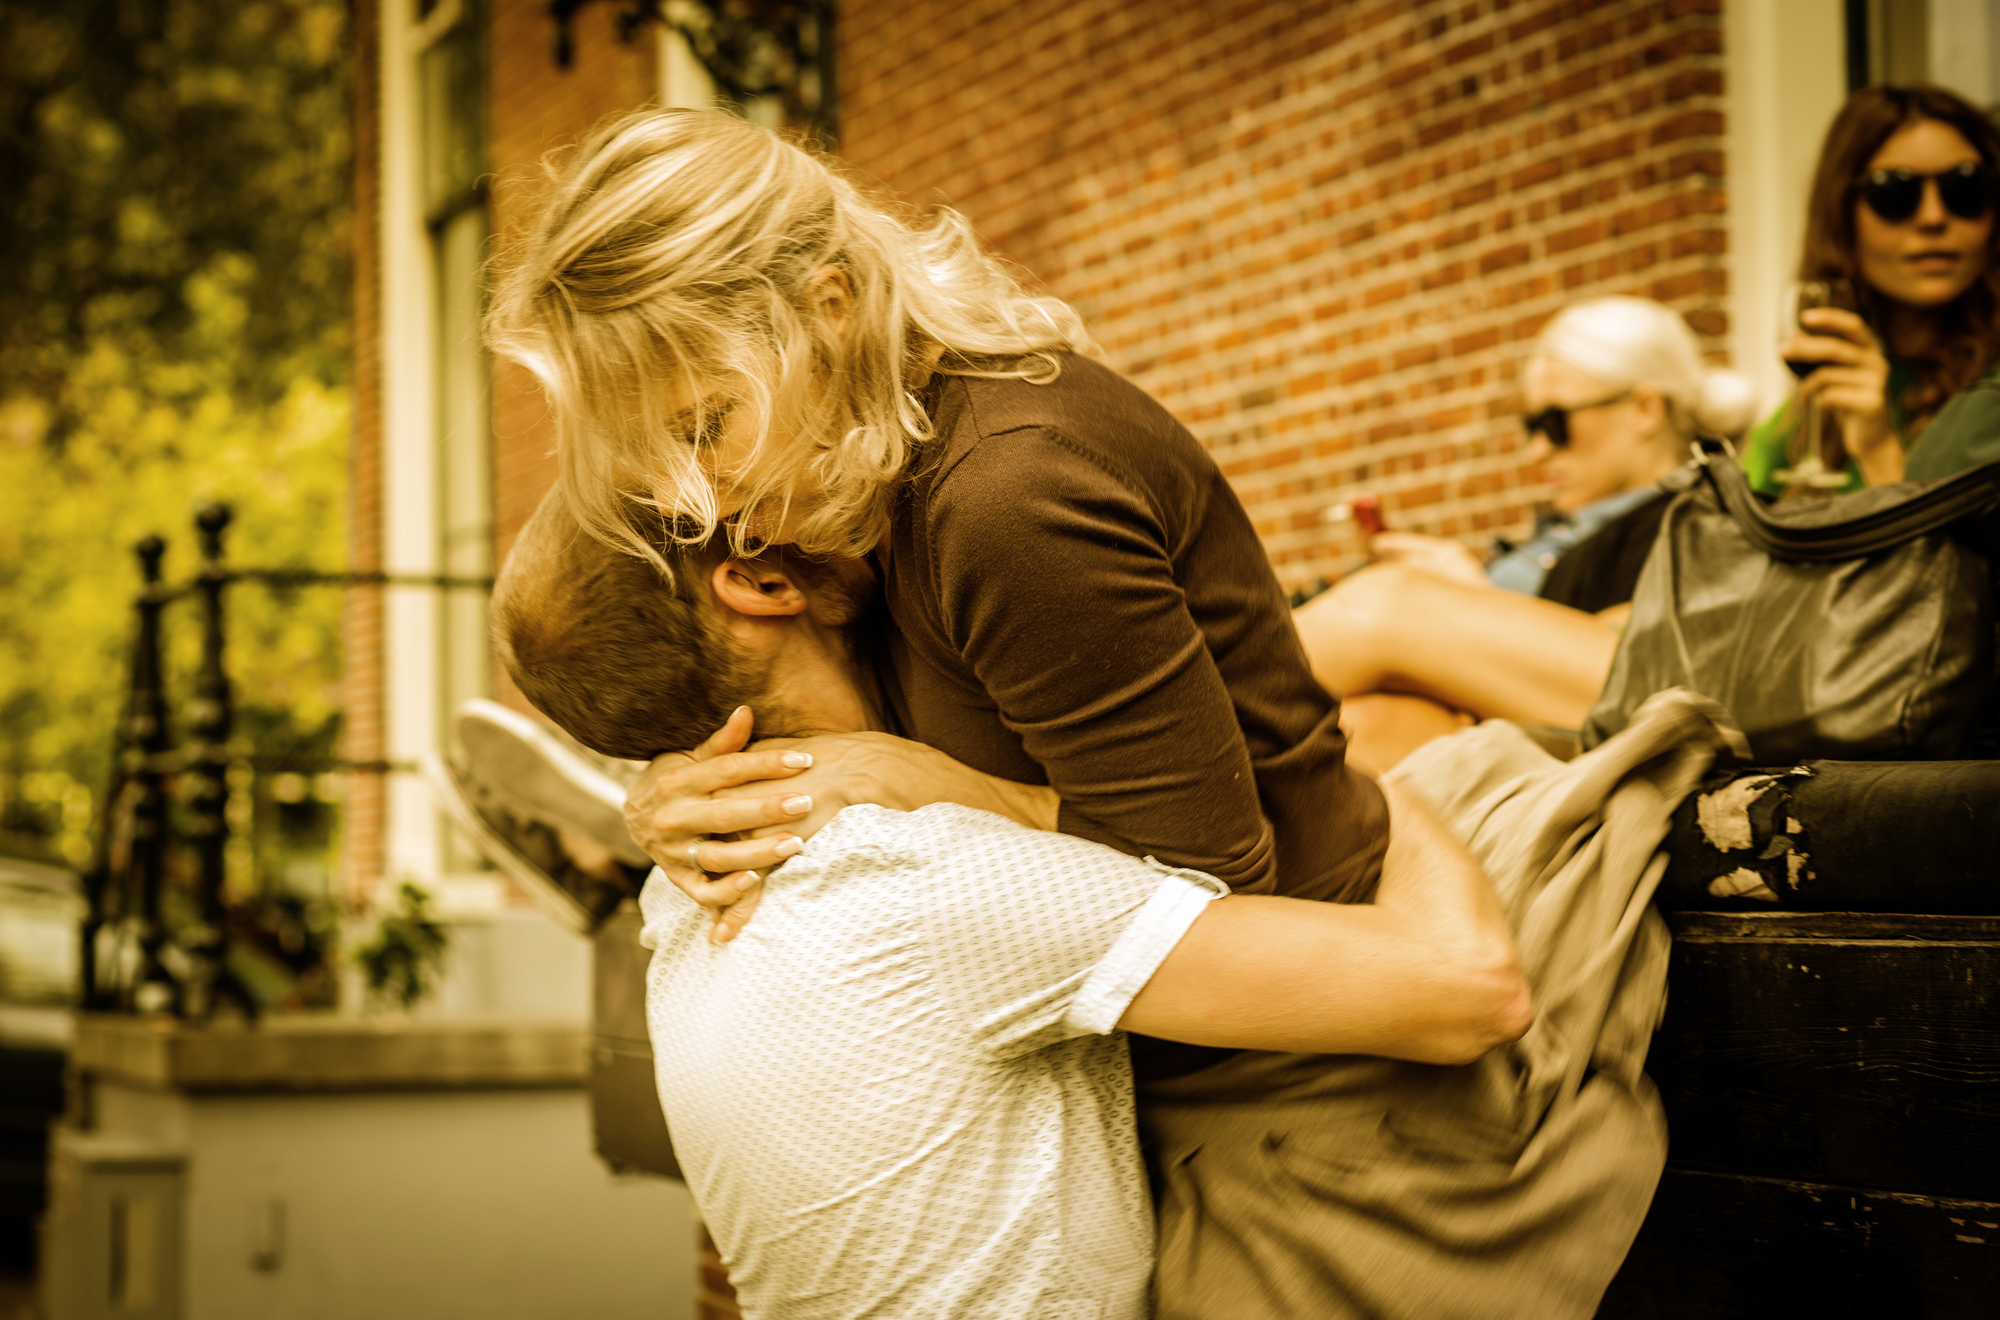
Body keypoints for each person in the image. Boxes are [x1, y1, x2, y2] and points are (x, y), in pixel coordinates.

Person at [490, 487, 1530, 1320]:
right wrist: (1339, 762)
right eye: (748, 490)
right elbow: (1464, 989)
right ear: (759, 579)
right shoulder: (925, 877)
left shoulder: (676, 903)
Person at [485, 106, 1388, 960]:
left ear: (827, 310)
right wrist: (674, 797)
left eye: (704, 426)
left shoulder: (1007, 499)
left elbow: (1205, 893)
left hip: (1304, 1050)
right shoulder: (848, 478)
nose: (694, 508)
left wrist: (913, 781)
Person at [1295, 297, 1753, 768]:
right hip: (1489, 721)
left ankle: (1214, 697)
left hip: (1626, 706)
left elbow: (1650, 646)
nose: (1536, 450)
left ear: (1644, 409)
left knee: (1382, 604)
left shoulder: (1693, 517)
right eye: (1530, 426)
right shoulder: (1577, 528)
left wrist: (1467, 593)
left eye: (1555, 424)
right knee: (1356, 730)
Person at [1742, 84, 2000, 494]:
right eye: (1895, 192)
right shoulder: (1796, 423)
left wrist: (1879, 448)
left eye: (1964, 188)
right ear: (1842, 212)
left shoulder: (1991, 396)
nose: (1933, 217)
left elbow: (1954, 558)